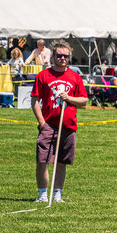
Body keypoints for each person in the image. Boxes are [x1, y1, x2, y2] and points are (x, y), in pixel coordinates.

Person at [30, 41, 87, 203]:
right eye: (59, 56)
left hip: (68, 125)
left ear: (69, 58)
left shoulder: (75, 77)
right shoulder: (43, 76)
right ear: (53, 56)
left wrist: (68, 98)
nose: (62, 59)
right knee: (42, 160)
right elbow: (34, 100)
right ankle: (42, 195)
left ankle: (57, 195)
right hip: (48, 124)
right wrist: (42, 122)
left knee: (62, 162)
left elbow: (83, 101)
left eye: (65, 56)